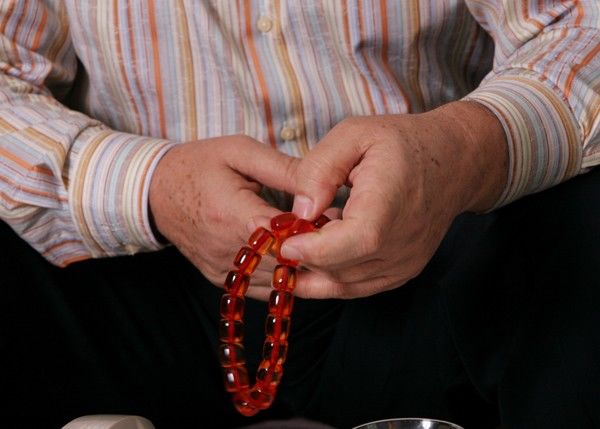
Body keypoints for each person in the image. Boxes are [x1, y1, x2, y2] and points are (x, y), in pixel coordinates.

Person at [1, 1, 598, 428]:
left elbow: (579, 23)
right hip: (145, 274)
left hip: (431, 248)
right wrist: (152, 185)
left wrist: (466, 148)